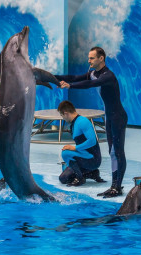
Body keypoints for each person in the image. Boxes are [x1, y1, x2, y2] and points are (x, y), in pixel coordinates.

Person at [56, 47, 128, 198]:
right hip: (110, 116)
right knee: (112, 152)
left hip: (117, 117)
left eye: (92, 58)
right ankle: (114, 186)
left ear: (101, 58)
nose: (88, 61)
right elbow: (74, 77)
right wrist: (52, 77)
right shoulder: (93, 74)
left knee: (118, 152)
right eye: (88, 58)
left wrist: (71, 86)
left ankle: (116, 187)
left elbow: (89, 85)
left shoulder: (108, 76)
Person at [57, 100, 104, 186]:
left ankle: (80, 178)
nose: (62, 118)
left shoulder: (83, 121)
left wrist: (75, 148)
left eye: (62, 115)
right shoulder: (75, 122)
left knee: (65, 154)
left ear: (66, 113)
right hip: (85, 156)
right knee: (63, 179)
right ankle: (92, 173)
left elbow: (92, 141)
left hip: (93, 159)